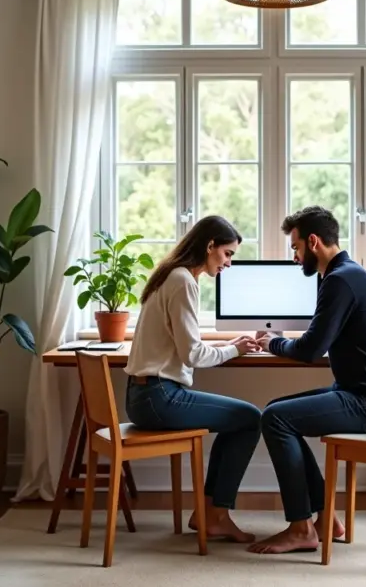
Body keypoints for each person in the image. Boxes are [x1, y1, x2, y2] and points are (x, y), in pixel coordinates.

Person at [247, 206, 366, 554]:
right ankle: (324, 519)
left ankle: (300, 528)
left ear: (314, 241)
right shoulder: (345, 274)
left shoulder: (340, 280)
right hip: (365, 394)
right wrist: (282, 343)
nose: (294, 257)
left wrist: (271, 343)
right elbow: (317, 341)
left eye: (295, 248)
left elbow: (310, 349)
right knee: (277, 410)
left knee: (275, 419)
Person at [124, 215, 262, 543]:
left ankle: (210, 513)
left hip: (144, 396)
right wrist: (237, 352)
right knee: (250, 418)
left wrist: (229, 345)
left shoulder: (171, 276)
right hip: (159, 398)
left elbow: (186, 345)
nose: (228, 263)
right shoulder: (184, 280)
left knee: (240, 420)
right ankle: (213, 514)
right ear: (209, 246)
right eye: (227, 254)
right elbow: (193, 356)